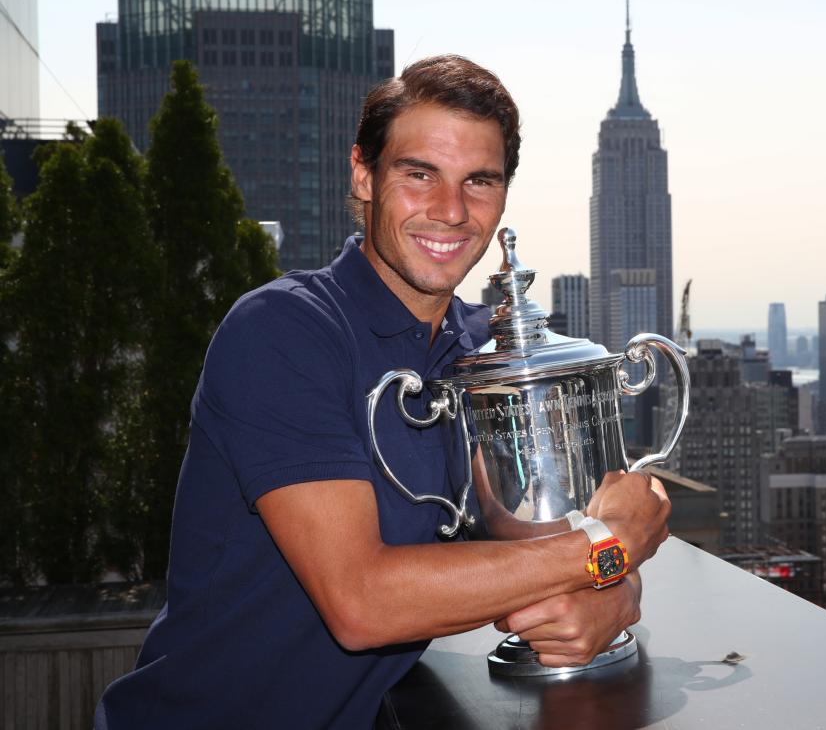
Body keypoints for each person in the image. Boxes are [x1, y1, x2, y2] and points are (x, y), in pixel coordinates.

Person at [94, 55, 671, 729]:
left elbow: (543, 535)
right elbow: (362, 603)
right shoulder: (282, 333)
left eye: (478, 181)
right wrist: (608, 550)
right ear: (363, 175)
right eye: (418, 173)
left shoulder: (476, 357)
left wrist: (611, 593)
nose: (450, 211)